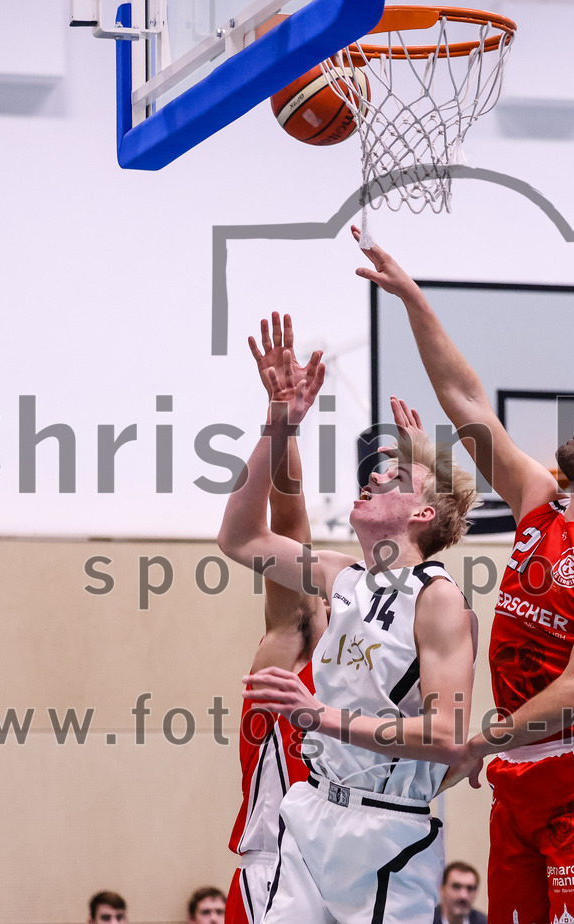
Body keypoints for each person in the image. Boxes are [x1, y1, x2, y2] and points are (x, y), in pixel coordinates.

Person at [355, 228, 574, 923]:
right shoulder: (540, 502)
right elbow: (466, 401)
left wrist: (480, 741)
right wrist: (415, 301)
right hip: (521, 781)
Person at [219, 326, 480, 924]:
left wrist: (317, 717)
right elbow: (239, 537)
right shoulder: (340, 576)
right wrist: (280, 424)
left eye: (394, 477)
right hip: (312, 815)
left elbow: (446, 735)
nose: (372, 476)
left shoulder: (438, 597)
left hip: (388, 829)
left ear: (421, 513)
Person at [220, 315, 328, 924]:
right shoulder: (300, 640)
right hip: (277, 869)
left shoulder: (400, 660)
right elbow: (286, 530)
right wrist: (282, 421)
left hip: (360, 864)